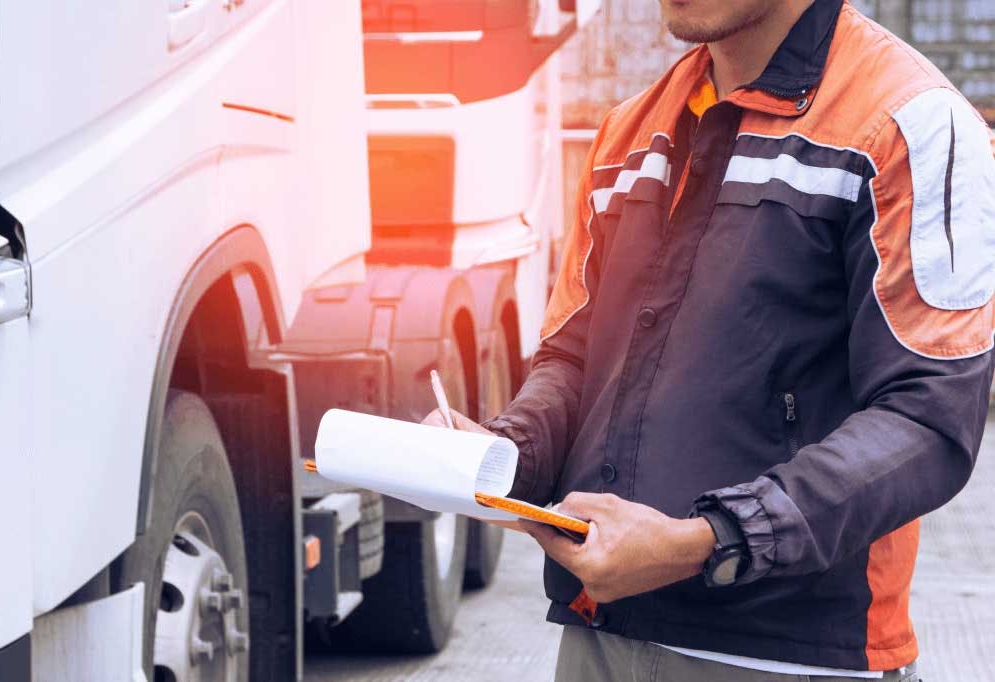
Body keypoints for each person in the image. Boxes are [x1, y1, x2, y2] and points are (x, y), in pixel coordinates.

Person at [425, 0, 995, 679]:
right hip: (600, 642)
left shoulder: (908, 122)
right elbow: (577, 362)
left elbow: (929, 418)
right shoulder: (630, 134)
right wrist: (502, 455)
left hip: (791, 657)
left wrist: (712, 540)